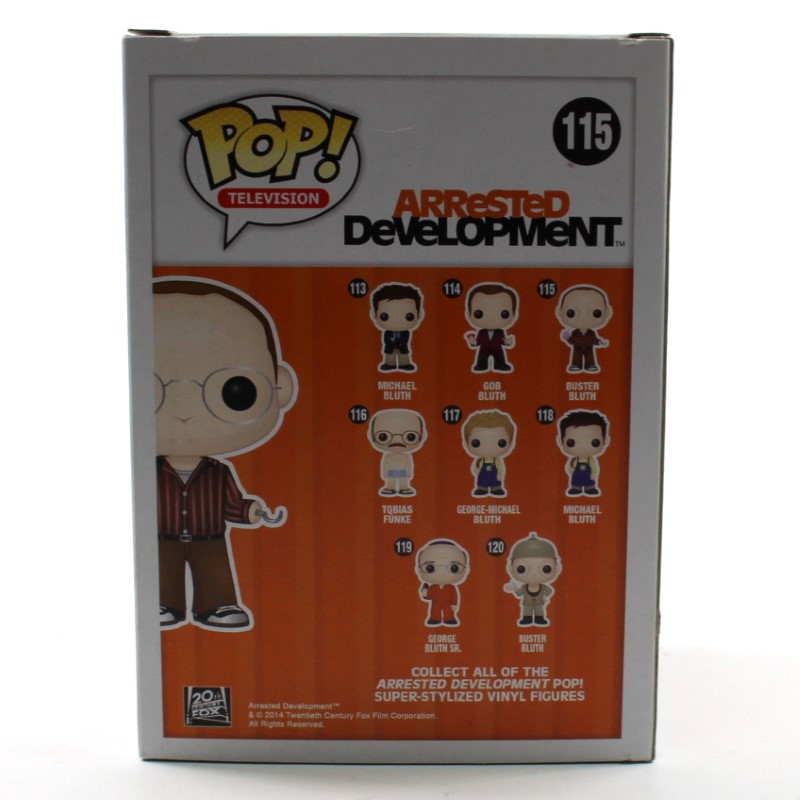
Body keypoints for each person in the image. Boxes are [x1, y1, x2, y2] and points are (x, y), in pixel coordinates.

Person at [154, 278, 297, 630]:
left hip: (210, 538)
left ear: (279, 387)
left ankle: (217, 606)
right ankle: (161, 603)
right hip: (161, 537)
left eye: (236, 391)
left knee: (215, 572)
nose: (183, 410)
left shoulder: (217, 472)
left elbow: (232, 503)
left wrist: (254, 511)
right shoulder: (146, 475)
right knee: (160, 572)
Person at [504, 534, 562, 626]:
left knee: (539, 611)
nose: (534, 574)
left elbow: (549, 592)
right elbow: (519, 593)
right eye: (521, 569)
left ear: (557, 568)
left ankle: (540, 619)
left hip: (540, 603)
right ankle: (527, 619)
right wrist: (514, 588)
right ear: (510, 568)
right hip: (527, 604)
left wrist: (546, 598)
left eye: (546, 569)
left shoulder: (543, 588)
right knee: (527, 611)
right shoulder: (524, 587)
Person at [368, 408, 426, 496]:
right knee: (390, 481)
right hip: (391, 471)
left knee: (403, 481)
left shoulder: (405, 456)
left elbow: (408, 464)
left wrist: (409, 472)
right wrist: (384, 473)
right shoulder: (388, 456)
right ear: (371, 435)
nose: (397, 440)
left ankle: (404, 488)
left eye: (410, 437)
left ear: (423, 435)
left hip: (402, 471)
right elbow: (385, 465)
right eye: (383, 436)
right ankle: (390, 488)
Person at [556, 285, 612, 373]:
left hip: (589, 348)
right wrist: (567, 338)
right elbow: (572, 341)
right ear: (560, 312)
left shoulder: (591, 333)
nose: (583, 318)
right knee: (576, 357)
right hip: (577, 348)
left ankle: (590, 365)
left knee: (590, 357)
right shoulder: (575, 332)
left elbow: (594, 340)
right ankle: (575, 365)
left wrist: (600, 342)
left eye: (596, 313)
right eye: (571, 313)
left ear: (607, 312)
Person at [464, 283, 519, 372]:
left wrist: (508, 342)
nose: (491, 318)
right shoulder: (481, 332)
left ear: (514, 314)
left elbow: (503, 341)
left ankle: (500, 365)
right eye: (478, 314)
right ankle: (481, 365)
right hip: (483, 351)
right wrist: (472, 342)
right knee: (481, 360)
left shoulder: (500, 332)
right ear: (468, 314)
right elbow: (478, 342)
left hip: (497, 350)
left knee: (500, 359)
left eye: (504, 314)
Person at [370, 283, 424, 371]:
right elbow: (386, 339)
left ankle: (404, 364)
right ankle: (390, 364)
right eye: (384, 316)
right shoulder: (388, 332)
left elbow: (406, 339)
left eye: (409, 316)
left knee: (404, 356)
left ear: (420, 314)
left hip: (402, 346)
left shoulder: (405, 332)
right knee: (390, 356)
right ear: (374, 314)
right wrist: (391, 343)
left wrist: (400, 344)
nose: (397, 320)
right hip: (390, 347)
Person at [462, 410, 517, 497]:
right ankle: (482, 488)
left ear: (511, 443)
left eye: (501, 442)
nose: (489, 446)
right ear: (466, 443)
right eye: (476, 443)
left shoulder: (497, 461)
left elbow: (500, 468)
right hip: (482, 478)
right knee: (482, 482)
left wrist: (500, 474)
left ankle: (496, 489)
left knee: (495, 483)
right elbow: (475, 467)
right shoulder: (480, 461)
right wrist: (476, 470)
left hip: (494, 478)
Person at [416, 540, 470, 626]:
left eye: (454, 567)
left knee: (448, 611)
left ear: (465, 570)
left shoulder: (451, 588)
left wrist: (454, 604)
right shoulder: (433, 587)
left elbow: (454, 596)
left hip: (448, 603)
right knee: (435, 611)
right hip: (436, 603)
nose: (442, 572)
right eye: (430, 567)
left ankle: (449, 619)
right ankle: (434, 619)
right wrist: (425, 594)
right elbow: (429, 597)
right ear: (419, 570)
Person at [557, 409, 610, 497]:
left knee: (589, 483)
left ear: (605, 440)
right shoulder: (574, 460)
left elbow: (594, 468)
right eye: (571, 442)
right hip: (576, 477)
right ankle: (576, 488)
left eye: (595, 442)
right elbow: (569, 466)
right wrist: (570, 470)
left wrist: (594, 473)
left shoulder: (591, 460)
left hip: (588, 477)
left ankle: (590, 488)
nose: (583, 447)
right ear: (560, 441)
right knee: (576, 482)